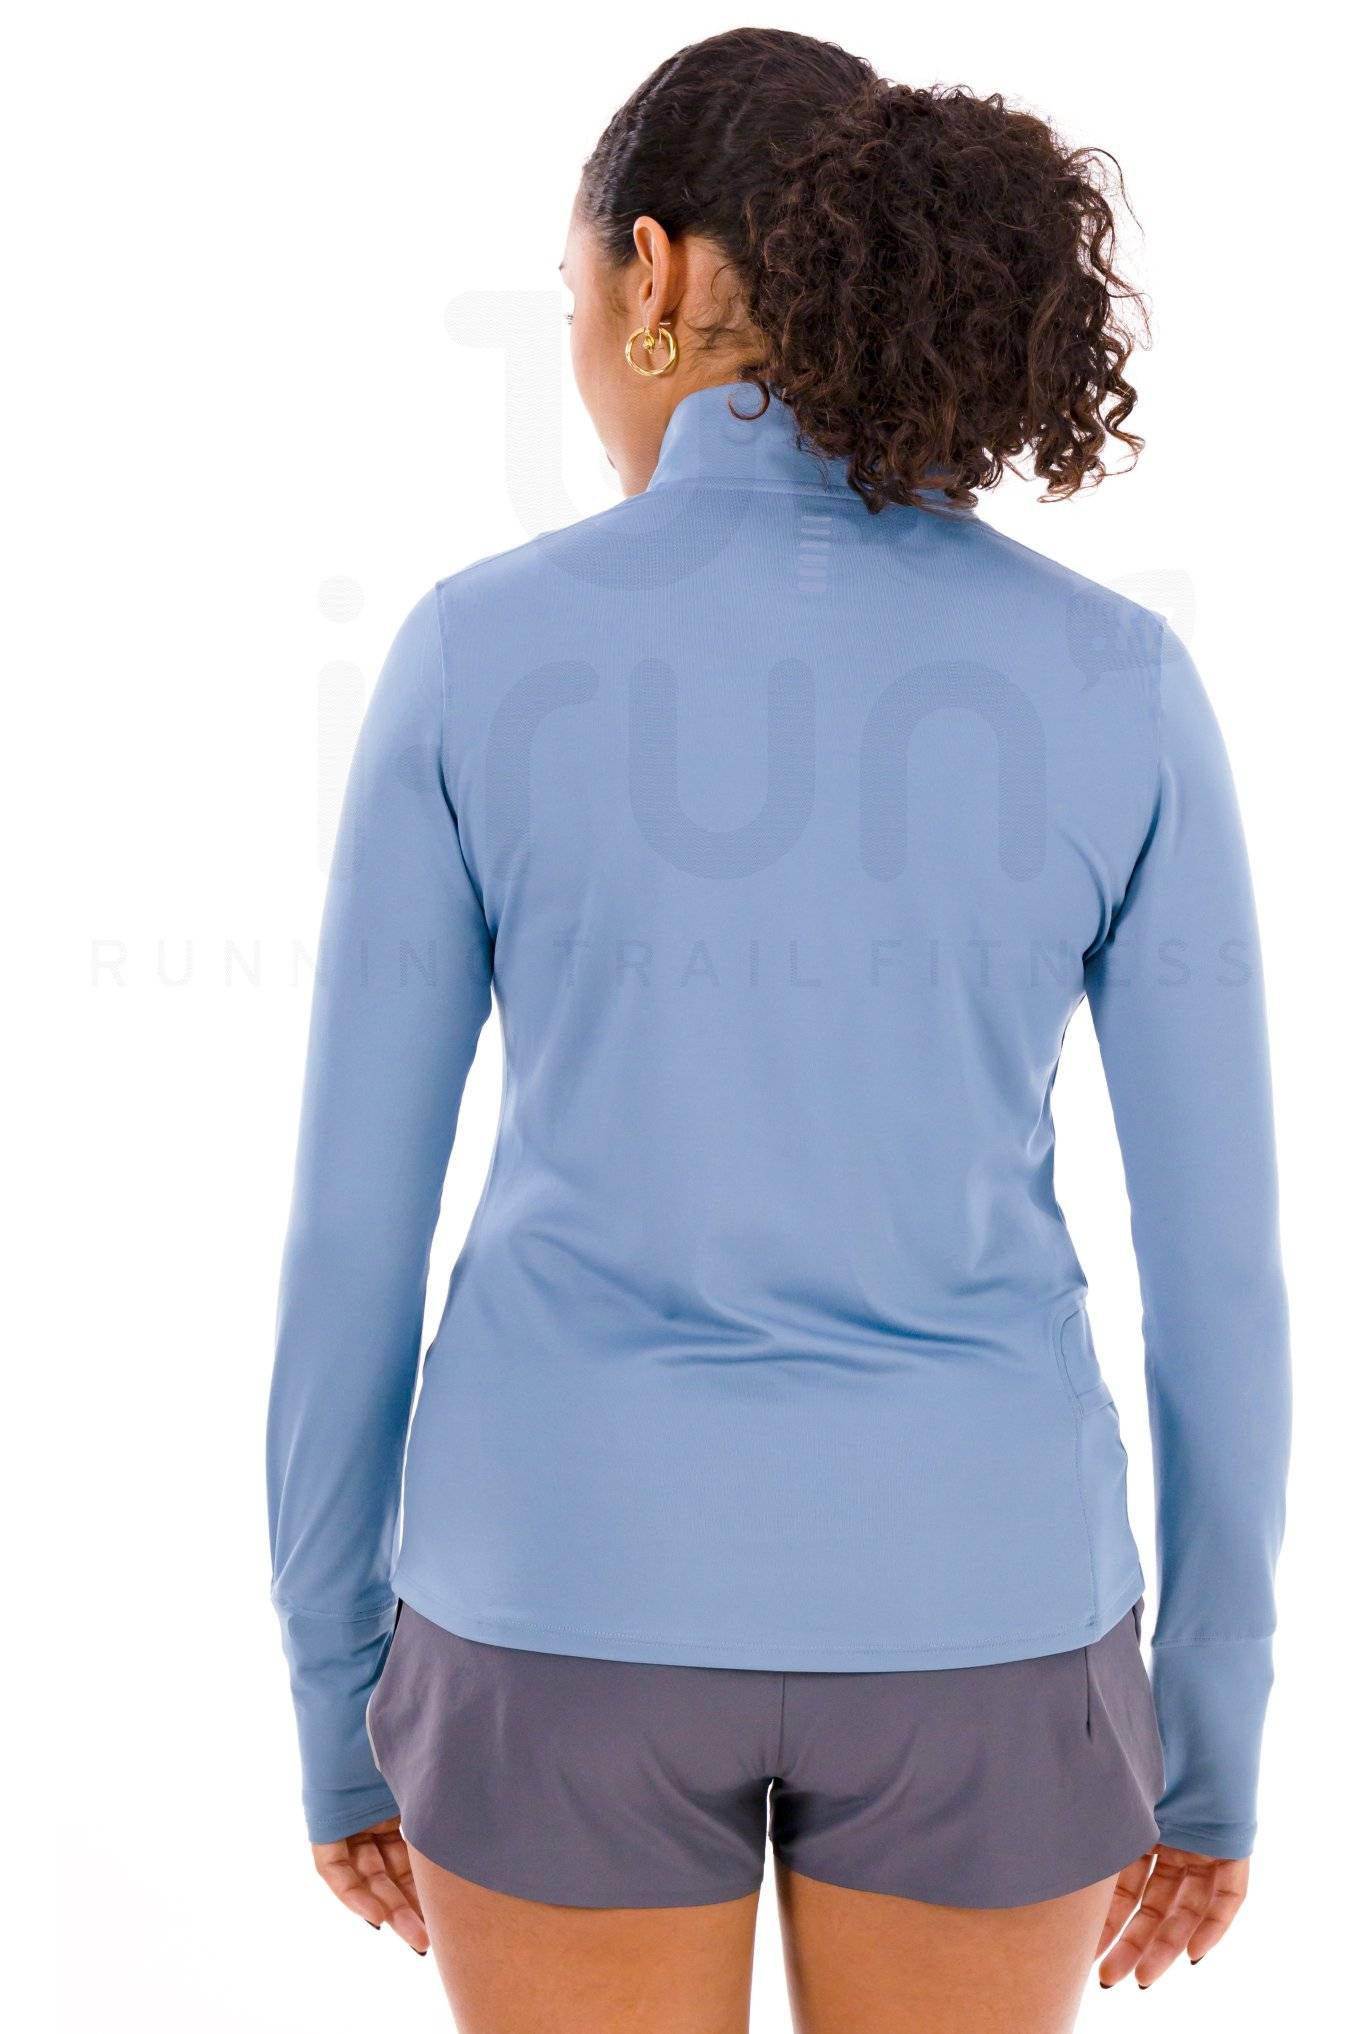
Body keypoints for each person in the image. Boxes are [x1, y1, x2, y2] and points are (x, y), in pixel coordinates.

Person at [266, 27, 1291, 2033]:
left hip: (555, 1599)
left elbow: (346, 1245)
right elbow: (1222, 1283)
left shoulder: (473, 655)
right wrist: (1208, 1736)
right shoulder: (1120, 681)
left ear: (651, 271)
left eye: (573, 298)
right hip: (986, 1612)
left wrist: (336, 1696)